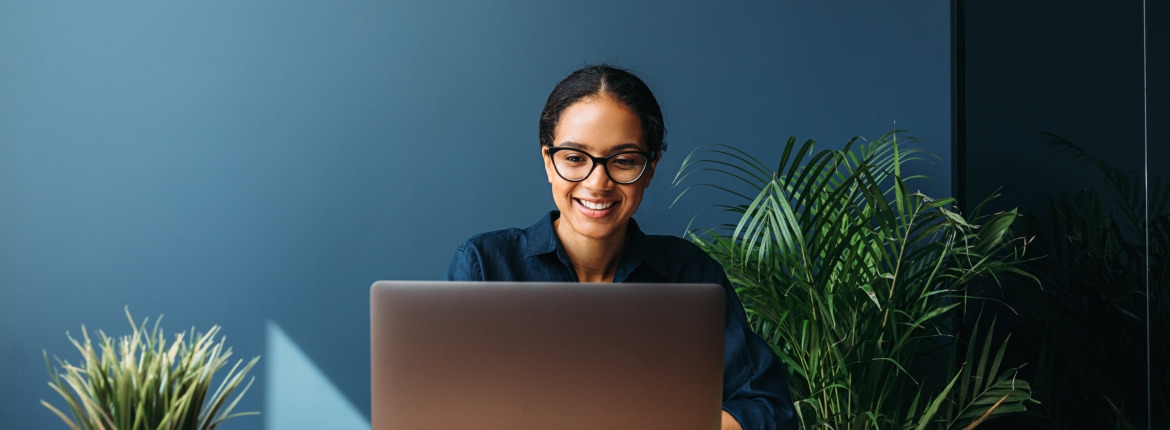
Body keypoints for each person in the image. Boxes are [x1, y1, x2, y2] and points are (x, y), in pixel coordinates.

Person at [446, 64, 797, 430]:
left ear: (651, 168)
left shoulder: (691, 275)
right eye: (574, 158)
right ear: (548, 161)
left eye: (624, 161)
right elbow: (443, 408)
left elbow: (770, 410)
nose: (598, 183)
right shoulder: (485, 267)